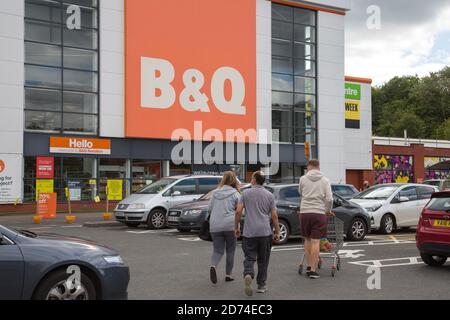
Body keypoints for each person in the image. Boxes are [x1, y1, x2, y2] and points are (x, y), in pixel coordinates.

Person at [235, 171, 280, 296]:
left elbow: (238, 212)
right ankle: (261, 285)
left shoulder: (245, 193)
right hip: (265, 232)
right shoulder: (269, 195)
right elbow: (274, 215)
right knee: (263, 260)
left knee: (249, 257)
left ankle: (248, 274)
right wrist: (276, 231)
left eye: (252, 178)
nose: (251, 179)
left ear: (254, 180)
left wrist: (236, 227)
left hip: (250, 232)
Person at [298, 159, 333, 279]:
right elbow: (329, 199)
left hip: (305, 212)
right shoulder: (325, 180)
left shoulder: (302, 179)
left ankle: (309, 266)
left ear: (309, 167)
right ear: (318, 167)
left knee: (307, 240)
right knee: (316, 241)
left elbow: (300, 192)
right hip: (319, 212)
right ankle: (313, 270)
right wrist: (327, 210)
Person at [208, 171, 241, 284]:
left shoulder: (215, 193)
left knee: (218, 250)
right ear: (234, 180)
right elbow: (240, 211)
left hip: (215, 225)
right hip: (230, 225)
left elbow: (209, 209)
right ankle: (228, 275)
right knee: (230, 250)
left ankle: (214, 266)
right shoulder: (236, 193)